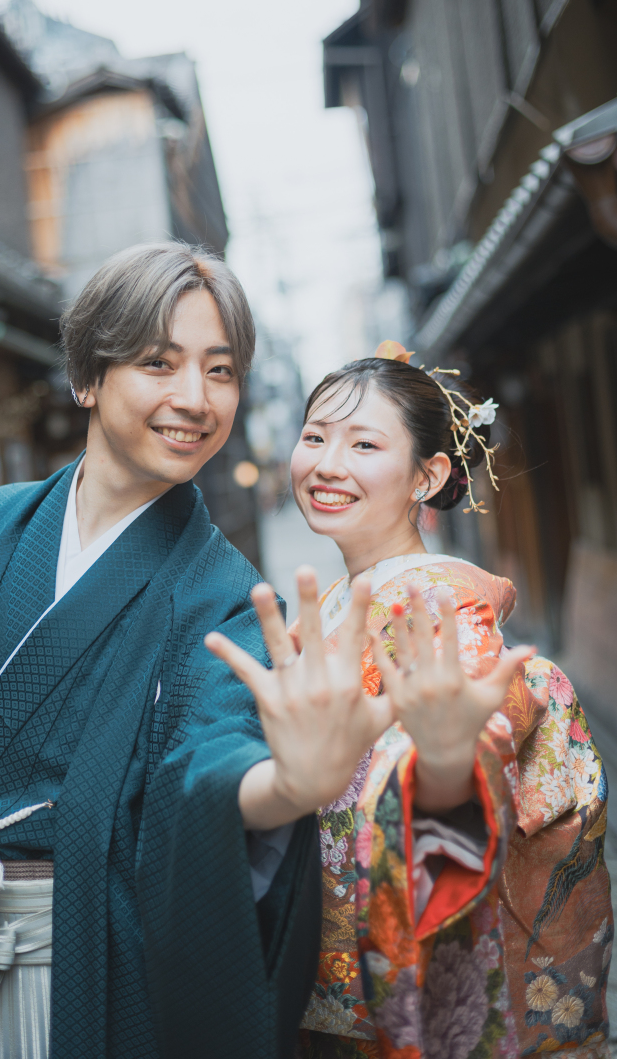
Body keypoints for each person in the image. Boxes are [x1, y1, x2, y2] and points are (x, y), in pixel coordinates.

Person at [0, 252, 505, 1059]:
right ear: (87, 377)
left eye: (221, 371)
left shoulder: (223, 591)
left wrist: (286, 785)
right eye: (158, 363)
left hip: (88, 969)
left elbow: (210, 754)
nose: (195, 399)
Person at [254, 342, 611, 1059]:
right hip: (337, 972)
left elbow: (474, 762)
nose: (327, 464)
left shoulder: (441, 605)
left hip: (402, 979)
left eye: (363, 444)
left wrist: (441, 766)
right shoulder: (341, 599)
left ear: (429, 475)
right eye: (315, 437)